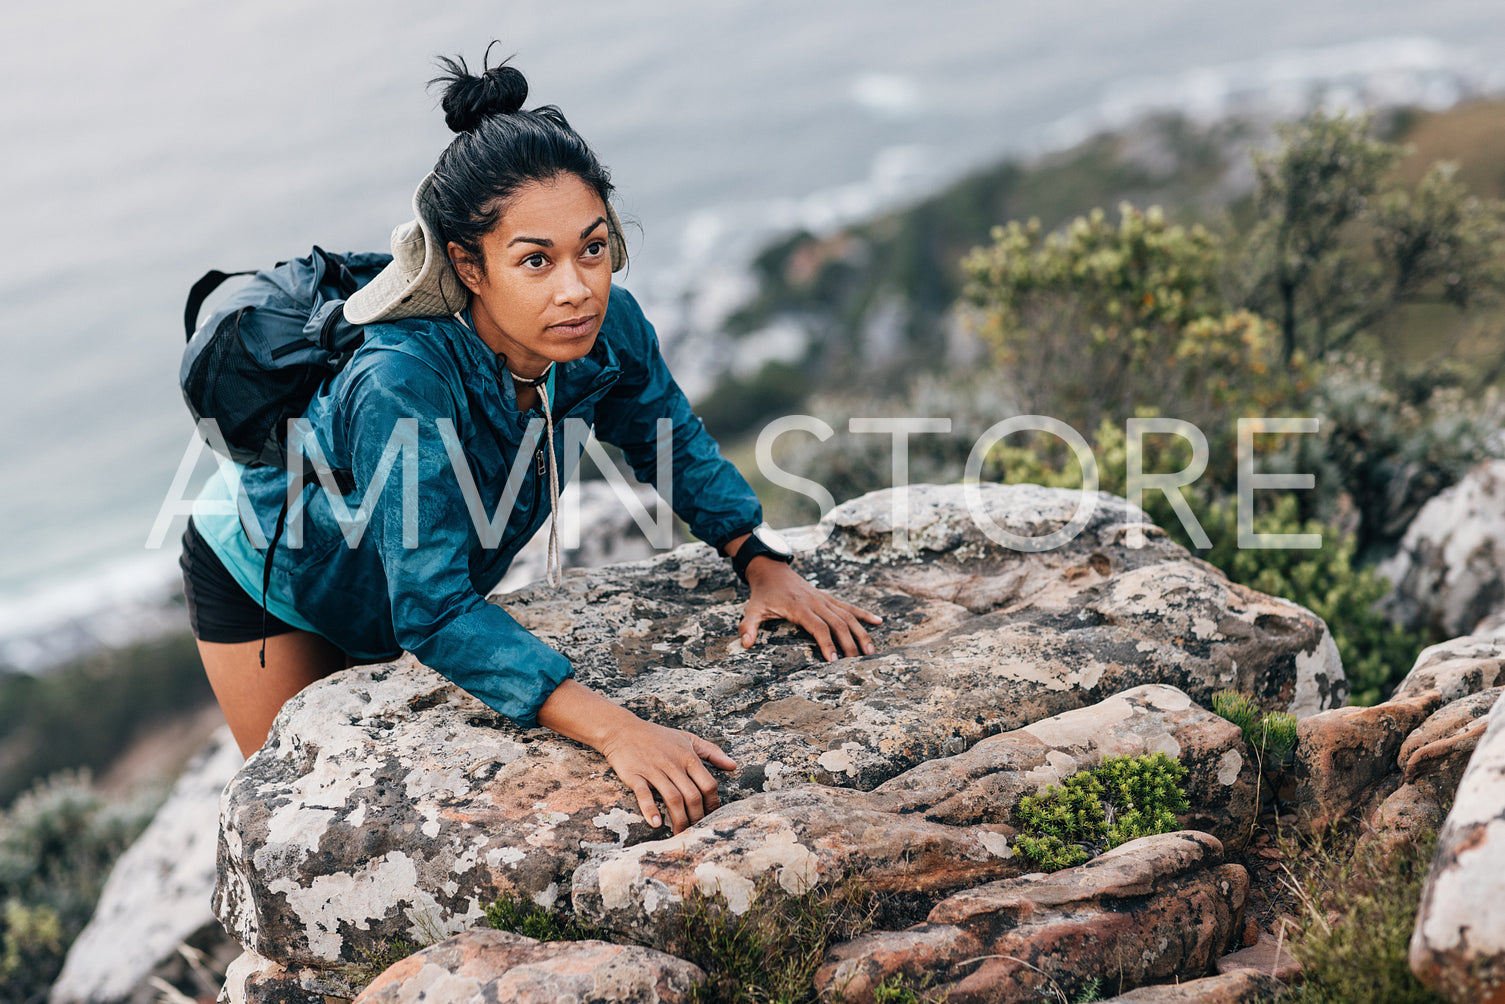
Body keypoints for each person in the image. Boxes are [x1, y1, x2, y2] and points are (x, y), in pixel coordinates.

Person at [179, 51, 882, 834]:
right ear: (467, 266)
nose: (576, 287)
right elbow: (434, 608)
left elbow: (666, 436)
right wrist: (619, 731)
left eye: (591, 248)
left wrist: (759, 559)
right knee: (304, 827)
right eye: (535, 261)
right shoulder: (401, 383)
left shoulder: (604, 327)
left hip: (402, 573)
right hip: (272, 577)